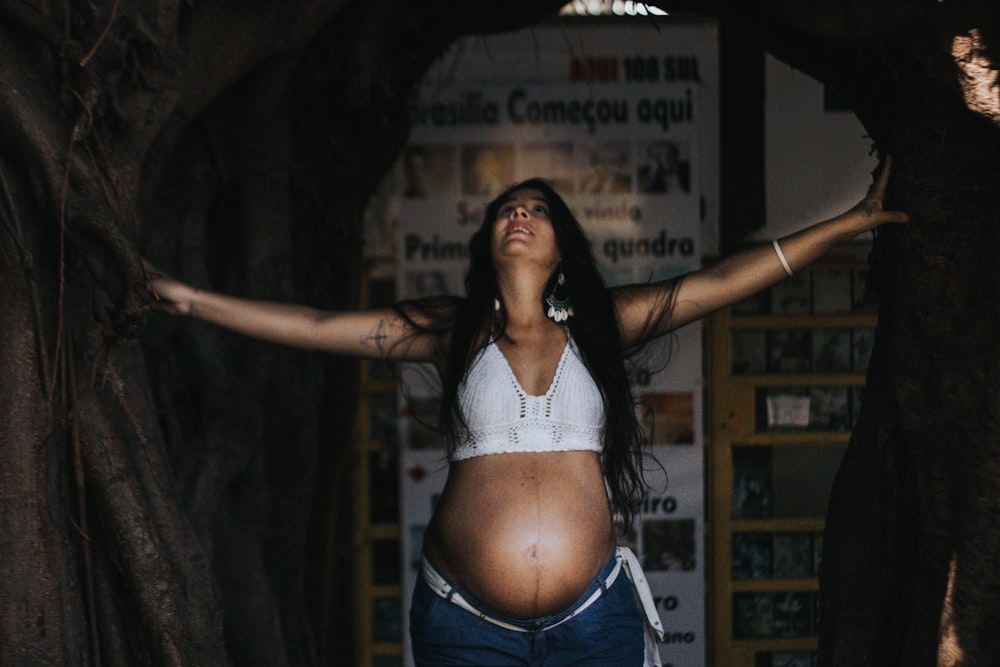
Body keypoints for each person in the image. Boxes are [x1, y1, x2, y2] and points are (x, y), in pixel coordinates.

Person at [145, 158, 908, 666]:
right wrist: (189, 298)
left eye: (536, 209)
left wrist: (848, 223)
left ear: (561, 245)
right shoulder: (451, 331)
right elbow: (318, 326)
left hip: (595, 619)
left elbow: (723, 283)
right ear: (488, 243)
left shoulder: (600, 326)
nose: (518, 213)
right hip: (466, 624)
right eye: (507, 208)